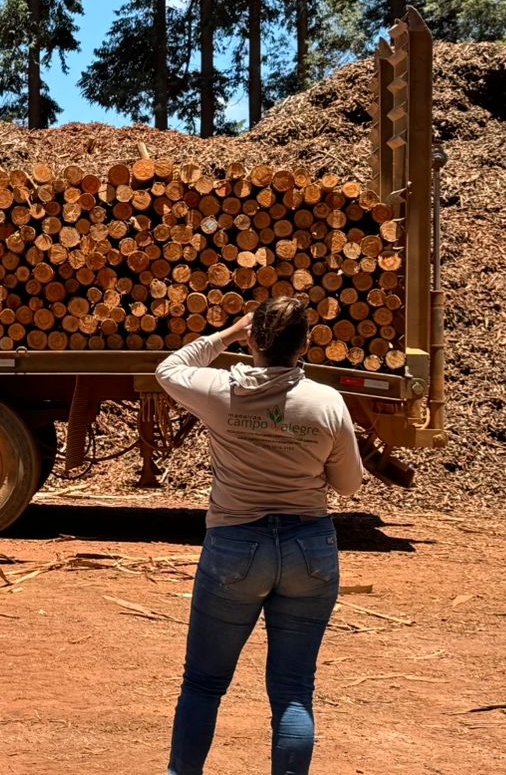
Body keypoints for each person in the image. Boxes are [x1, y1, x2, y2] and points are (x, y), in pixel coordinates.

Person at [155, 297, 364, 775]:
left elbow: (168, 369)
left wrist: (225, 335)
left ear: (253, 341)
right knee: (293, 690)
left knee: (204, 684)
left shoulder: (219, 391)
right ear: (306, 343)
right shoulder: (326, 402)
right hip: (309, 548)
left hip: (235, 546)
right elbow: (349, 486)